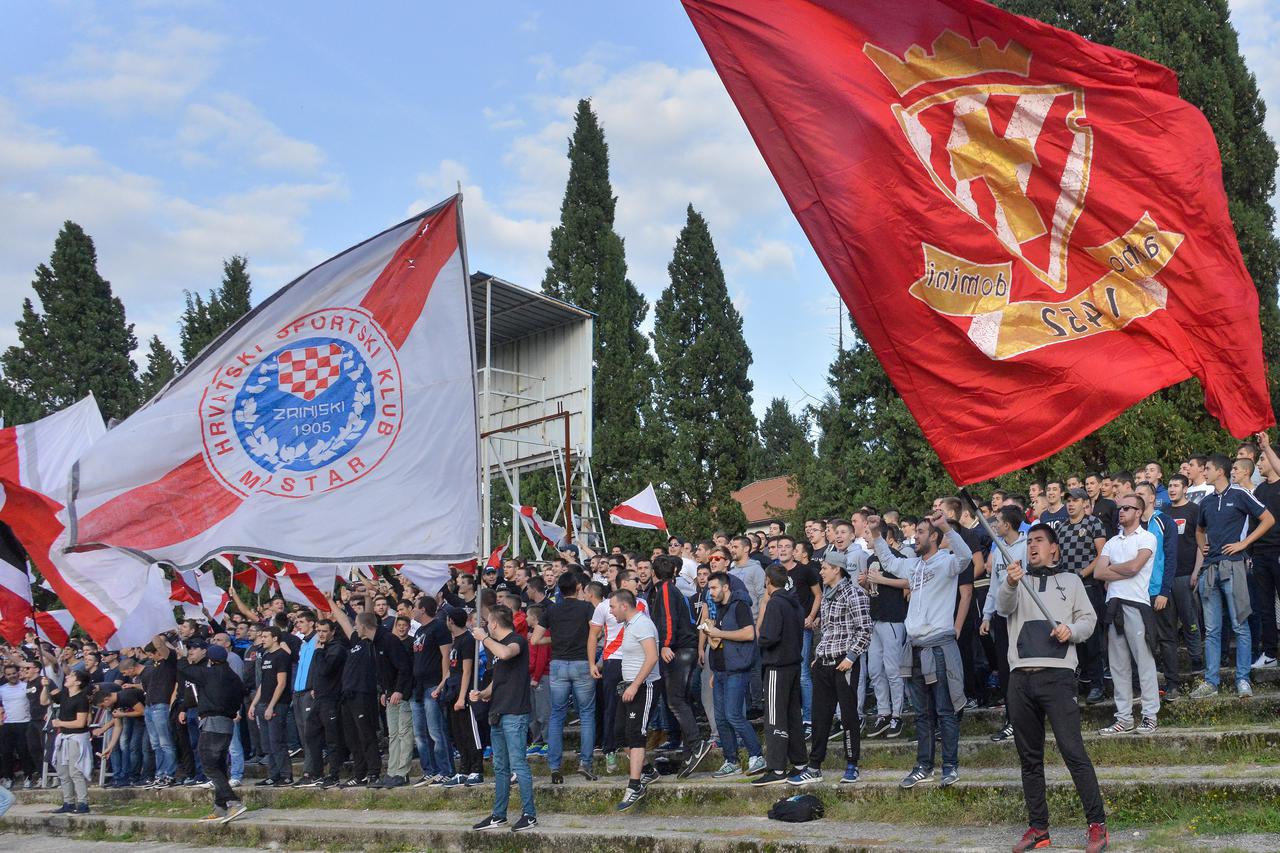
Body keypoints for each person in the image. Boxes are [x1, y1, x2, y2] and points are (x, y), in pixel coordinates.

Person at [996, 525, 1108, 853]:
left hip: (1058, 677)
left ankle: (1097, 824)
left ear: (1054, 549)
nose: (1033, 547)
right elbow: (1003, 608)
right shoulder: (1016, 580)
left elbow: (1088, 621)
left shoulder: (1072, 582)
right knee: (1029, 758)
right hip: (1021, 679)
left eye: (1039, 541)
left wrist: (1070, 630)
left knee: (1073, 752)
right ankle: (1038, 828)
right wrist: (1011, 581)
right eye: (1029, 542)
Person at [869, 510, 972, 789]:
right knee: (923, 713)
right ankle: (923, 766)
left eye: (923, 532)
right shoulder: (913, 565)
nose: (916, 536)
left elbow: (966, 558)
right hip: (914, 647)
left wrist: (946, 527)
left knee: (945, 710)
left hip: (938, 646)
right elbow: (889, 561)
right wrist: (877, 535)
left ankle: (949, 766)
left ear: (935, 537)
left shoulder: (947, 562)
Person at [1191, 454, 1275, 699]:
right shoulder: (1206, 501)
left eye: (1207, 469)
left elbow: (1268, 519)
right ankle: (1211, 682)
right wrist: (1202, 546)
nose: (1204, 472)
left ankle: (1243, 679)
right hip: (1210, 569)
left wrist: (1243, 543)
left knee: (1240, 625)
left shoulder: (1240, 494)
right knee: (1213, 629)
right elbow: (1199, 530)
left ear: (1220, 471)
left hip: (1234, 566)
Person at [795, 549, 871, 785]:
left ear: (837, 569)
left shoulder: (854, 594)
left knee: (848, 717)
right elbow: (827, 630)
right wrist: (818, 656)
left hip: (844, 664)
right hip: (824, 664)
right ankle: (815, 766)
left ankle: (852, 765)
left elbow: (865, 630)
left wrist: (850, 657)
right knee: (820, 717)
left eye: (825, 568)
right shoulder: (827, 595)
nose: (821, 572)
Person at [1094, 494, 1159, 734]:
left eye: (1127, 508)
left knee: (1144, 662)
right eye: (1120, 508)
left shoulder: (1148, 537)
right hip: (1114, 606)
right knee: (1118, 666)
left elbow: (1135, 567)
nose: (1121, 511)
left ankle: (1150, 715)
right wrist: (1120, 570)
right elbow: (1099, 573)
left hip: (1136, 604)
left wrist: (1113, 569)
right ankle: (1124, 718)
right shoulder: (1112, 541)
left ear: (1139, 512)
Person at [469, 604, 537, 833]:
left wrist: (485, 638)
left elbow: (507, 653)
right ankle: (499, 815)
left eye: (488, 622)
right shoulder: (494, 649)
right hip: (497, 712)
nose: (486, 626)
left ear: (494, 624)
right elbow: (498, 680)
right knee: (500, 768)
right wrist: (481, 694)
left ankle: (529, 815)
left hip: (515, 713)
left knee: (519, 764)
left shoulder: (516, 640)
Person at [648, 554, 712, 778]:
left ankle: (696, 745)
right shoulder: (672, 589)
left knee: (675, 700)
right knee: (681, 701)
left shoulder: (665, 590)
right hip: (687, 648)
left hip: (680, 649)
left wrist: (665, 644)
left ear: (654, 573)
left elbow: (668, 618)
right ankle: (688, 752)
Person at [175, 640, 249, 823]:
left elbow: (186, 671)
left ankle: (233, 802)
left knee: (209, 765)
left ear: (210, 659)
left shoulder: (209, 674)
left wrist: (182, 657)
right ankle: (220, 807)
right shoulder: (234, 678)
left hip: (212, 723)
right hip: (227, 723)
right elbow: (242, 693)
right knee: (220, 766)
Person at [700, 571, 765, 778]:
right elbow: (720, 642)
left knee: (734, 715)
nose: (710, 593)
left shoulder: (740, 606)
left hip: (736, 670)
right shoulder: (720, 608)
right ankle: (731, 761)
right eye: (709, 589)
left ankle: (757, 755)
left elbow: (749, 633)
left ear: (725, 587)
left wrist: (720, 633)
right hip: (720, 671)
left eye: (713, 588)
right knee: (720, 719)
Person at [539, 572, 598, 784]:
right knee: (587, 715)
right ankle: (585, 763)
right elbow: (596, 633)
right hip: (582, 662)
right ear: (578, 587)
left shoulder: (551, 609)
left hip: (557, 664)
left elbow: (536, 638)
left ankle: (555, 766)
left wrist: (555, 640)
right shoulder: (586, 608)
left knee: (557, 716)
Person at [752, 565, 808, 787]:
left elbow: (768, 636)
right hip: (793, 664)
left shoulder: (775, 603)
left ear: (768, 581)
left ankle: (776, 768)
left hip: (777, 666)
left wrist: (761, 638)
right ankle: (800, 762)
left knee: (774, 717)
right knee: (793, 716)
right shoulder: (795, 603)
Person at [980, 506, 1029, 741]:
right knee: (1006, 668)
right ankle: (1012, 719)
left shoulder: (1027, 546)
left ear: (1008, 525)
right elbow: (994, 586)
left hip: (1023, 614)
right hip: (1002, 616)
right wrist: (987, 615)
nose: (995, 525)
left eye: (997, 521)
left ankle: (1026, 719)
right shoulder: (998, 549)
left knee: (1023, 667)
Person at [611, 589, 661, 812]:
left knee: (635, 735)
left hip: (643, 686)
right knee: (620, 734)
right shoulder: (629, 624)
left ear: (624, 605)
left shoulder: (642, 623)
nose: (610, 612)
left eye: (612, 607)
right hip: (629, 686)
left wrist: (634, 685)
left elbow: (652, 657)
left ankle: (635, 785)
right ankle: (648, 770)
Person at [777, 535, 821, 733]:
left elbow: (818, 594)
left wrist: (811, 616)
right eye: (780, 546)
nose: (784, 549)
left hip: (801, 628)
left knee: (803, 673)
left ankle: (809, 719)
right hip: (781, 630)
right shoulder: (773, 572)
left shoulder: (805, 571)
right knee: (787, 674)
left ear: (794, 551)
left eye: (788, 546)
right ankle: (791, 718)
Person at [1164, 475, 1205, 678]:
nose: (1172, 489)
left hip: (1186, 573)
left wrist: (1197, 571)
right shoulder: (1162, 513)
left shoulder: (1194, 510)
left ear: (1185, 488)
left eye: (1176, 485)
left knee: (1190, 620)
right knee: (1168, 624)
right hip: (1166, 577)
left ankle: (1196, 659)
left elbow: (1201, 543)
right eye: (1170, 485)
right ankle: (1170, 665)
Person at [410, 596, 453, 786]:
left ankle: (446, 770)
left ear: (423, 609)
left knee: (436, 731)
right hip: (418, 687)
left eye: (415, 607)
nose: (412, 610)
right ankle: (430, 770)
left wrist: (444, 682)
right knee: (420, 733)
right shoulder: (419, 629)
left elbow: (446, 655)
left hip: (433, 684)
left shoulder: (439, 627)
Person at [302, 617, 348, 789]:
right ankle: (317, 772)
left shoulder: (336, 649)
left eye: (324, 631)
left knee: (332, 738)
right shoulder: (321, 648)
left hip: (331, 699)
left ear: (332, 632)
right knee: (311, 734)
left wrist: (319, 652)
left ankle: (334, 774)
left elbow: (326, 670)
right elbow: (316, 672)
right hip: (319, 698)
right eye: (318, 631)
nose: (320, 635)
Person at [441, 608, 484, 787]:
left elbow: (467, 671)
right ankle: (464, 769)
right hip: (452, 691)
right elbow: (453, 669)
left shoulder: (467, 640)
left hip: (464, 694)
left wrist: (461, 698)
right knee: (458, 734)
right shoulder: (456, 640)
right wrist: (440, 686)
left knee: (470, 733)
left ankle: (477, 770)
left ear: (450, 620)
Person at [41, 668, 92, 814]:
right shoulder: (64, 694)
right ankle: (68, 802)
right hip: (64, 736)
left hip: (76, 737)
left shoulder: (82, 698)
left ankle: (83, 802)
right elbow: (44, 701)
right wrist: (45, 687)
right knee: (63, 771)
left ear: (78, 682)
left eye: (71, 676)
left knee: (75, 771)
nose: (67, 677)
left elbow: (80, 723)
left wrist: (60, 723)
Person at [1249, 431, 1280, 670]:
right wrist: (1249, 553)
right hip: (1260, 555)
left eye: (1262, 459)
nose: (1258, 464)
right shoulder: (1259, 492)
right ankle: (1270, 653)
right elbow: (1252, 525)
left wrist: (1267, 446)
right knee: (1265, 606)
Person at [250, 626, 294, 786]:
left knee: (277, 741)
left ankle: (286, 775)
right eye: (261, 636)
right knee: (267, 743)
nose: (262, 639)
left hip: (277, 704)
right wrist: (254, 704)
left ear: (275, 638)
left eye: (266, 636)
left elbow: (281, 683)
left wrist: (271, 706)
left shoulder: (281, 656)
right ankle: (273, 775)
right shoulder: (267, 656)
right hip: (263, 703)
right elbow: (264, 683)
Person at [0, 663, 35, 788]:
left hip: (24, 723)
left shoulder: (26, 687)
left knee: (24, 751)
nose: (12, 676)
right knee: (6, 752)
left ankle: (28, 776)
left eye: (14, 673)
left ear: (18, 673)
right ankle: (8, 777)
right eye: (9, 674)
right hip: (7, 724)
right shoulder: (2, 689)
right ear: (5, 675)